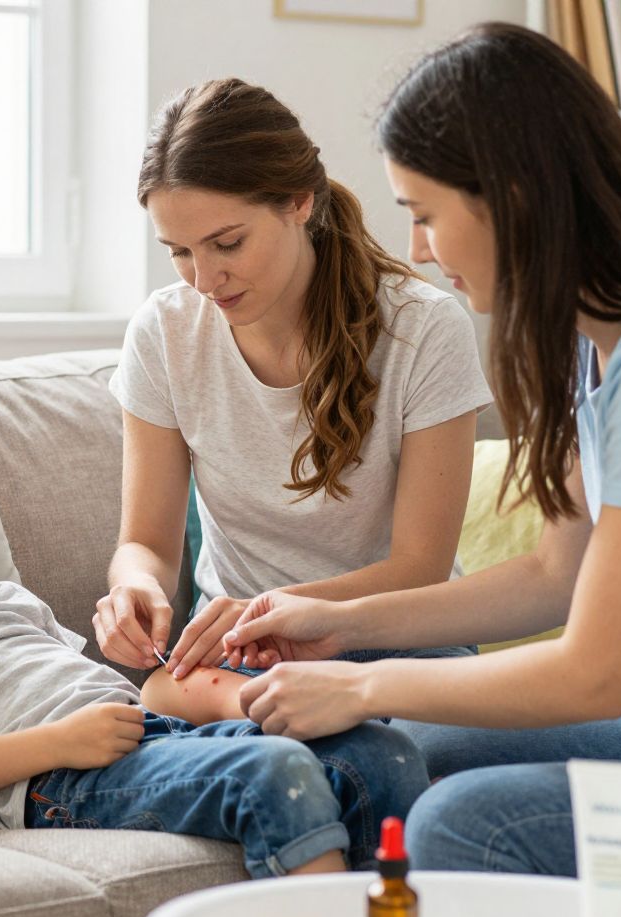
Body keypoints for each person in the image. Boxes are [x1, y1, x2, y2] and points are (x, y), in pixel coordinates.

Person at [222, 23, 621, 914]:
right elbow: (556, 576)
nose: (420, 247)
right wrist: (341, 622)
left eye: (427, 212)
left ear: (513, 199)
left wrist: (360, 681)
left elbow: (596, 671)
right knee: (428, 755)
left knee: (471, 826)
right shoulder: (585, 346)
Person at [0, 409, 430, 877]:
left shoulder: (7, 597)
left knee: (377, 752)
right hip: (60, 777)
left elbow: (106, 685)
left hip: (148, 736)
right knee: (276, 772)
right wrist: (60, 743)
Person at [95, 77, 493, 726]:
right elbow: (145, 541)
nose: (204, 279)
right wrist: (132, 586)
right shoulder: (163, 332)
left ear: (299, 202)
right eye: (179, 253)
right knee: (159, 694)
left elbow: (419, 566)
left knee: (420, 751)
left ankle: (295, 740)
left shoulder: (421, 328)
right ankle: (284, 733)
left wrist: (275, 606)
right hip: (240, 657)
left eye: (227, 243)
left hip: (403, 647)